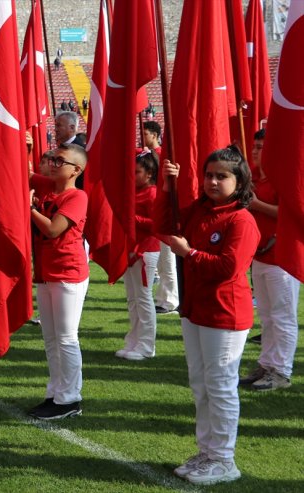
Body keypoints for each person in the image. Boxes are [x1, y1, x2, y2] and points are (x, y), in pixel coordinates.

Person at [158, 147, 259, 485]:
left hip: (225, 313)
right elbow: (163, 225)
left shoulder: (241, 219)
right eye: (209, 175)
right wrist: (168, 184)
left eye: (222, 176)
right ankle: (208, 450)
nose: (213, 181)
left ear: (239, 180)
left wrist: (191, 253)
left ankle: (224, 459)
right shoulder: (201, 210)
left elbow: (229, 268)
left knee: (220, 385)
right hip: (196, 309)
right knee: (201, 384)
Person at [27, 144, 89, 420]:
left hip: (67, 272)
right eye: (52, 159)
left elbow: (53, 230)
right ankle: (56, 392)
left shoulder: (77, 197)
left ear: (76, 170)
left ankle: (71, 397)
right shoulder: (49, 188)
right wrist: (27, 147)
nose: (52, 164)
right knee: (51, 338)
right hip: (46, 271)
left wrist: (29, 209)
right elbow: (22, 173)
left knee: (65, 337)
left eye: (59, 161)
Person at [239, 129, 300, 391]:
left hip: (281, 257)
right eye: (254, 146)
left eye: (261, 146)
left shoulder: (283, 179)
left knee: (282, 316)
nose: (255, 151)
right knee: (266, 315)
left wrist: (256, 204)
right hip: (261, 255)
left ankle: (281, 370)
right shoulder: (254, 179)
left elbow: (290, 213)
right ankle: (266, 364)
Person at [116, 151, 160, 360]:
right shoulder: (132, 192)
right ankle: (133, 340)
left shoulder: (152, 193)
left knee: (143, 298)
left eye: (138, 172)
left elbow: (157, 225)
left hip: (146, 250)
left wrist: (133, 219)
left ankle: (146, 345)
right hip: (131, 248)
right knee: (133, 299)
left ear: (150, 173)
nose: (133, 176)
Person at [141, 120, 180, 314]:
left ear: (155, 135)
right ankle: (163, 297)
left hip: (163, 210)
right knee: (162, 260)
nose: (142, 136)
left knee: (167, 258)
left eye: (145, 133)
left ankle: (170, 299)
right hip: (155, 209)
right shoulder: (144, 154)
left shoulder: (161, 155)